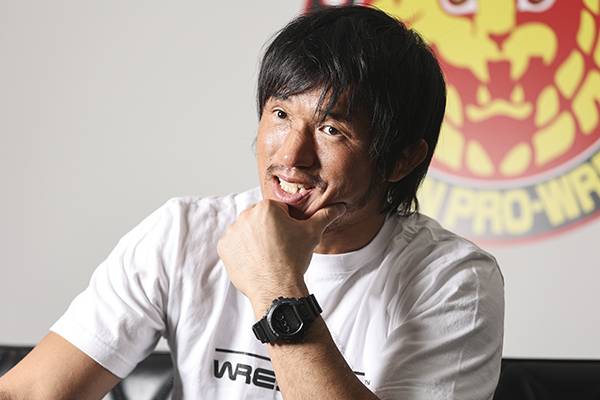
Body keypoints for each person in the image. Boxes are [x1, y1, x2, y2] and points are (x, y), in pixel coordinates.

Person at [0, 5, 503, 400]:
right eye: (280, 114)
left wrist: (275, 286)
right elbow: (32, 391)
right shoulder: (183, 234)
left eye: (331, 129)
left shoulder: (453, 280)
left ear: (401, 159)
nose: (291, 156)